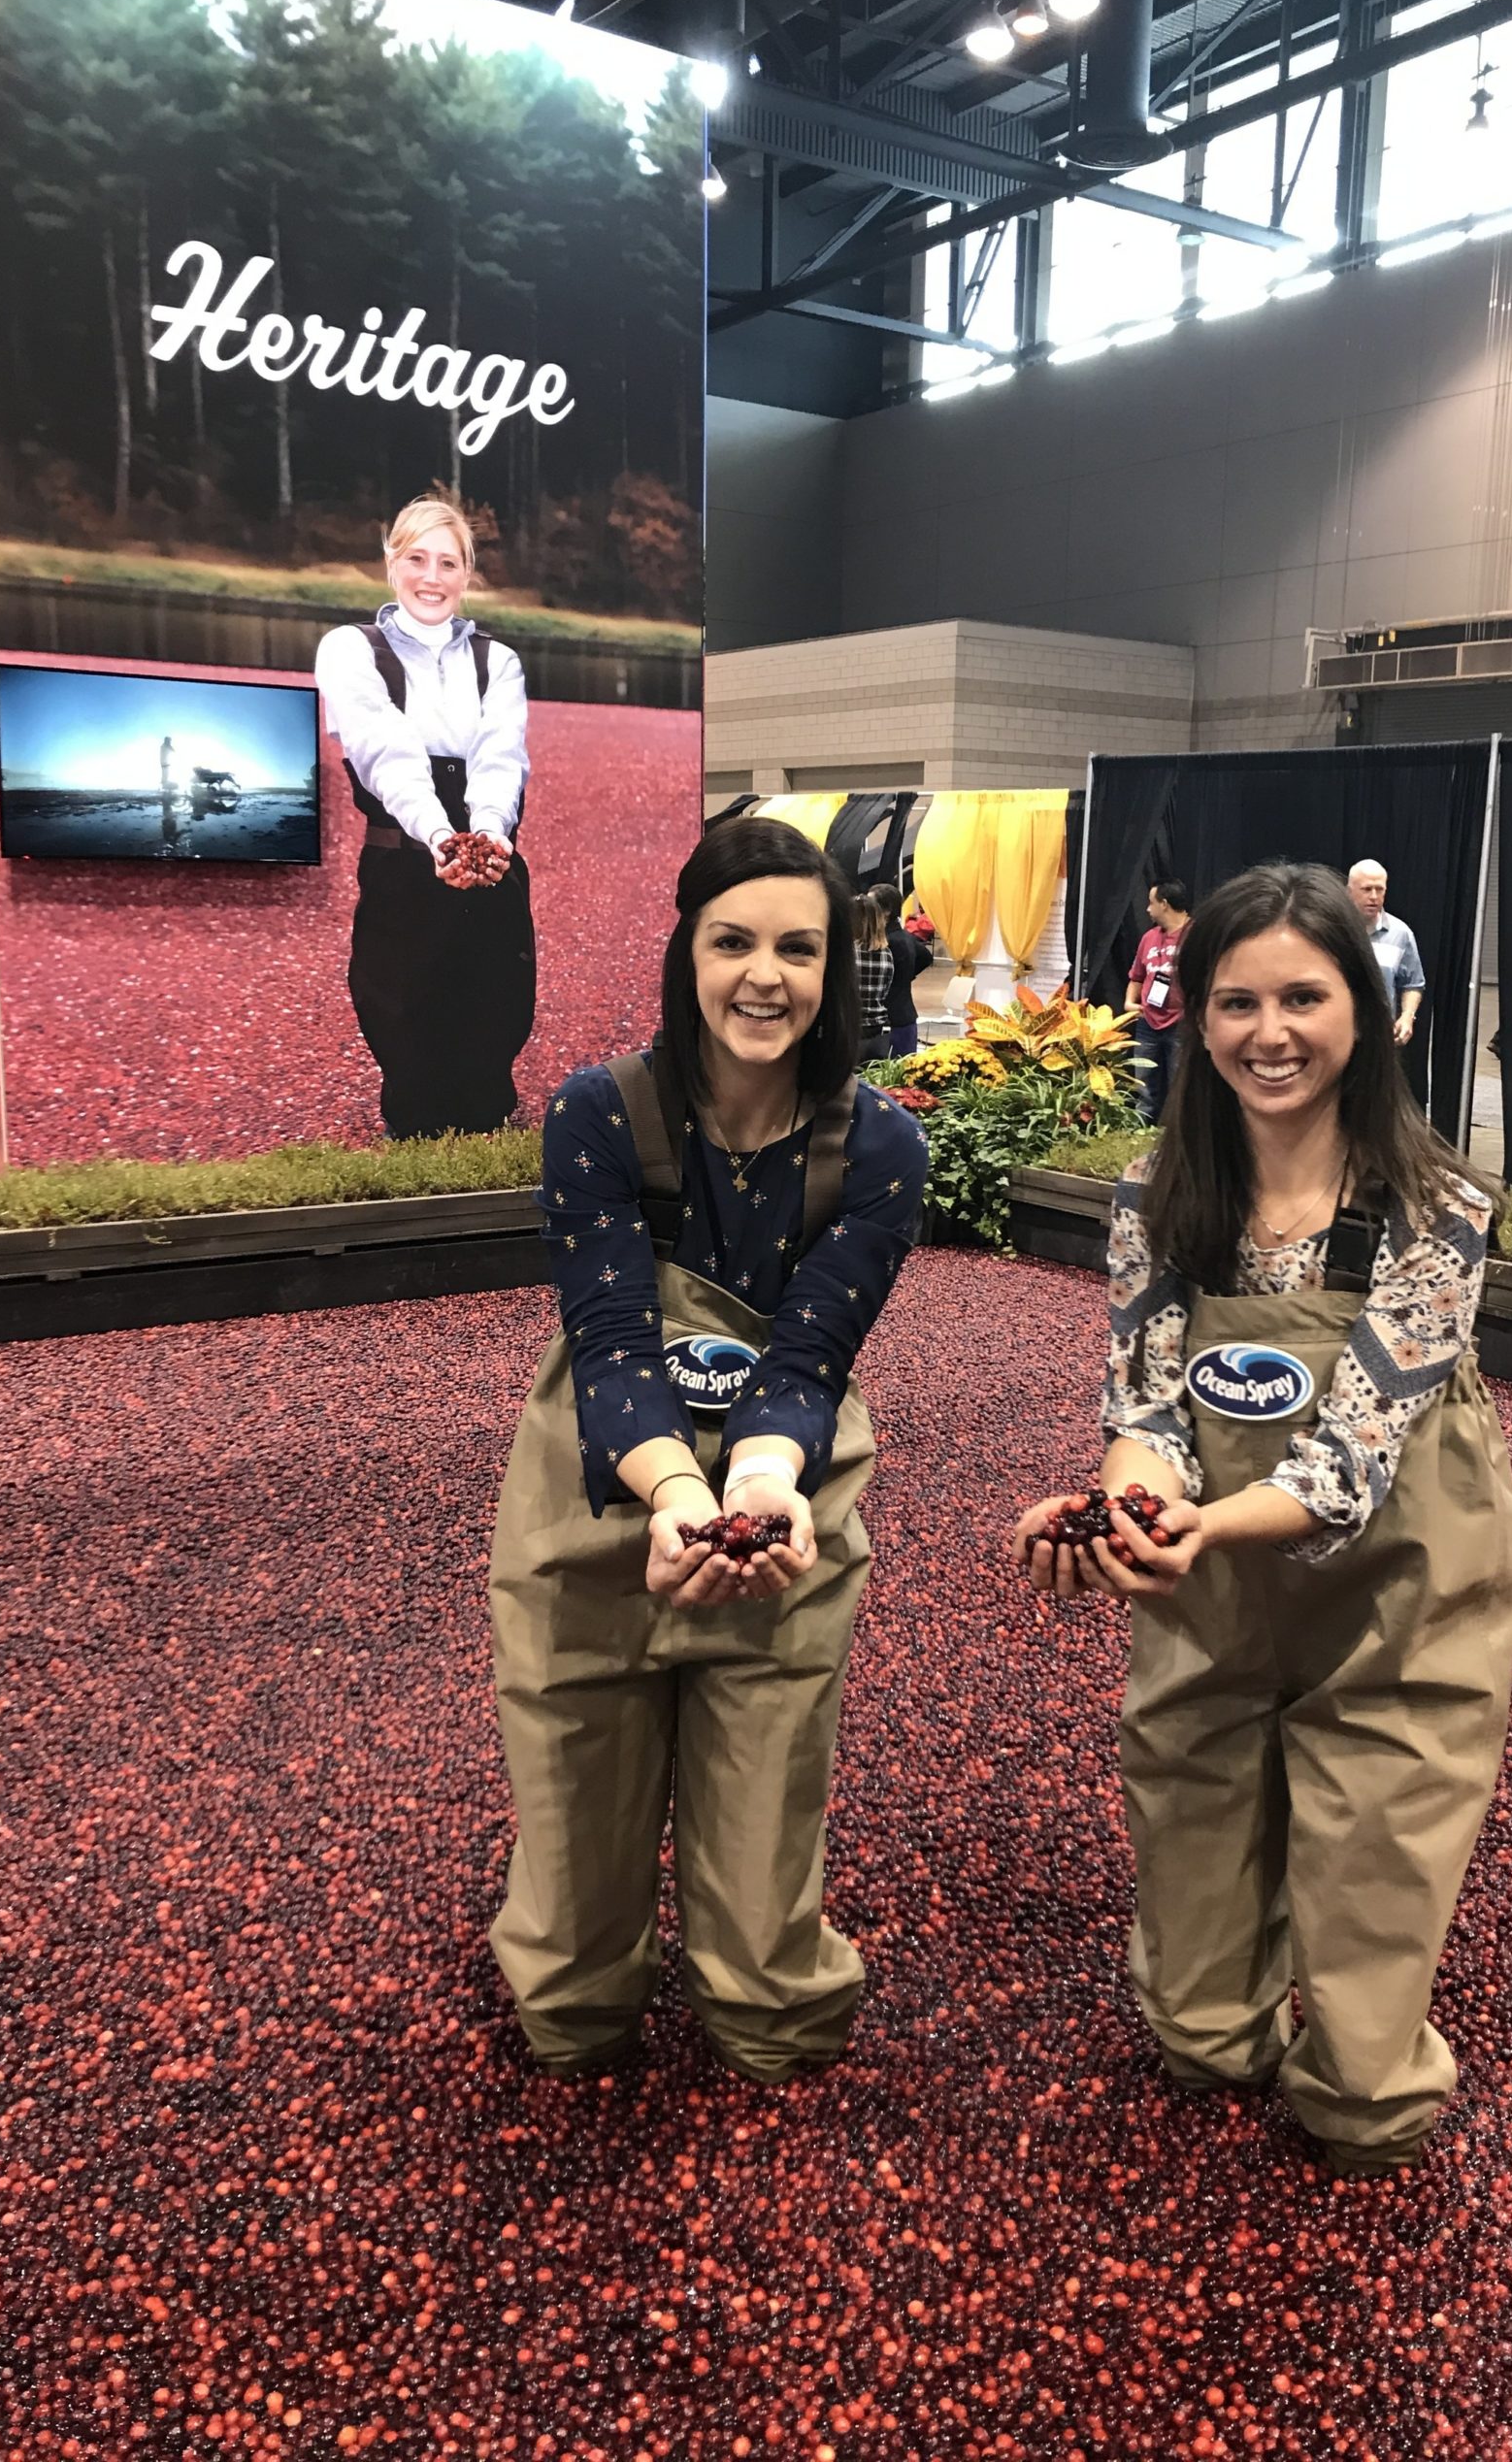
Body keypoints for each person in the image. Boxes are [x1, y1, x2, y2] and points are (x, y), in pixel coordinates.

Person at [1011, 861, 1512, 2176]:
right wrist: (1118, 1509)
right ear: (1199, 1015)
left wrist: (1197, 1529)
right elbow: (1151, 1407)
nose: (1269, 1032)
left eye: (1304, 995)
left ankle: (1362, 2049)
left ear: (1365, 1005)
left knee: (1359, 2099)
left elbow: (1350, 1458)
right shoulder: (1156, 1196)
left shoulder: (1438, 1207)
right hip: (1217, 1612)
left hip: (1395, 1612)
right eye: (1237, 1001)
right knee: (1197, 2039)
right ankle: (1221, 1992)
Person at [488, 817, 929, 2084]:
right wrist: (679, 1488)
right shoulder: (598, 1114)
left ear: (837, 964)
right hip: (599, 1505)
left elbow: (806, 1356)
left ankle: (769, 2003)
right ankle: (580, 1987)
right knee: (571, 1971)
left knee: (765, 1937)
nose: (764, 975)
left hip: (778, 1496)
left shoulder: (882, 1147)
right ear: (687, 948)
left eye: (798, 947)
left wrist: (759, 1485)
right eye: (732, 940)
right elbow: (614, 1341)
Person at [313, 495, 534, 1139]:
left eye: (447, 562)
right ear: (391, 564)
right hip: (403, 861)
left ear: (468, 575)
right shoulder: (352, 649)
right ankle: (413, 1138)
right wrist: (438, 835)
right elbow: (385, 747)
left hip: (490, 859)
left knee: (497, 1001)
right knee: (401, 1005)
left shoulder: (499, 661)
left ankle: (488, 1132)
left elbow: (501, 756)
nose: (431, 577)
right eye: (416, 559)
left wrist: (488, 836)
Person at [1125, 879, 1192, 1121]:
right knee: (1143, 1085)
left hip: (1181, 1023)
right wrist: (1129, 1002)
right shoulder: (1149, 938)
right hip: (1148, 1023)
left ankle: (1175, 1138)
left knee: (1180, 1085)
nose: (1147, 909)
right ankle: (1139, 1132)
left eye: (1151, 903)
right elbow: (1137, 976)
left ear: (1164, 904)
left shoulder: (1196, 935)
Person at [1346, 860, 1425, 1051]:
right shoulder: (1331, 929)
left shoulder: (1401, 934)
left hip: (1379, 1040)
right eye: (1366, 889)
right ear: (1349, 891)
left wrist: (1407, 1016)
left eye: (1379, 889)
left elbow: (1413, 983)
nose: (1374, 896)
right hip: (1335, 1036)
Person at [872, 881, 934, 1058]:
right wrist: (906, 976)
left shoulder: (888, 943)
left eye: (872, 905)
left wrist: (902, 978)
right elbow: (925, 957)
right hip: (904, 1017)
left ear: (886, 911)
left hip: (893, 1022)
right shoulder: (904, 936)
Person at [852, 888, 895, 1065]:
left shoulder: (845, 954)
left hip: (849, 1029)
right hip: (877, 1031)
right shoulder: (887, 954)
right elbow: (885, 992)